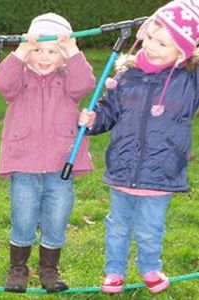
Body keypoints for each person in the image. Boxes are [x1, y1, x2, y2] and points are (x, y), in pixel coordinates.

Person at [78, 0, 199, 294]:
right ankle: (114, 272)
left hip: (161, 172)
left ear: (183, 52)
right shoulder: (125, 76)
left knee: (150, 228)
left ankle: (149, 267)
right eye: (150, 38)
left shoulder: (189, 81)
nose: (153, 47)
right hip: (122, 167)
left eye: (164, 43)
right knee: (117, 226)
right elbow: (109, 113)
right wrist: (94, 119)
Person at [0, 12, 95, 293]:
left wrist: (73, 50)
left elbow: (85, 83)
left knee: (56, 219)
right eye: (38, 50)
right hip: (24, 165)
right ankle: (18, 269)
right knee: (23, 218)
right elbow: (2, 84)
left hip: (61, 165)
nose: (44, 56)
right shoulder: (19, 81)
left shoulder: (68, 83)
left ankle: (49, 270)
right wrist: (21, 50)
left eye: (53, 51)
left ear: (62, 57)